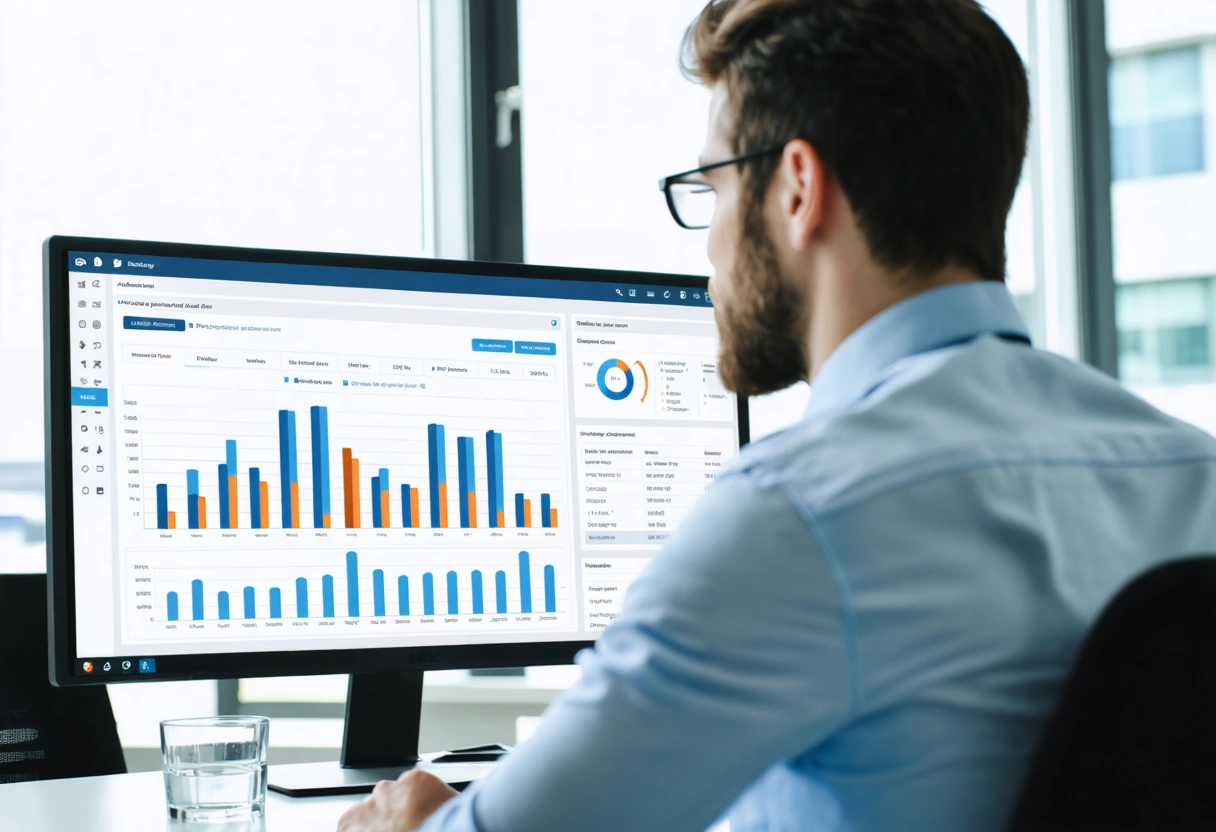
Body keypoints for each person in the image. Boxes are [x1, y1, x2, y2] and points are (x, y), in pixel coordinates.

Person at [339, 0, 1216, 830]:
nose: (713, 243)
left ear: (798, 188)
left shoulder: (806, 511)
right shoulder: (1193, 472)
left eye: (713, 187)